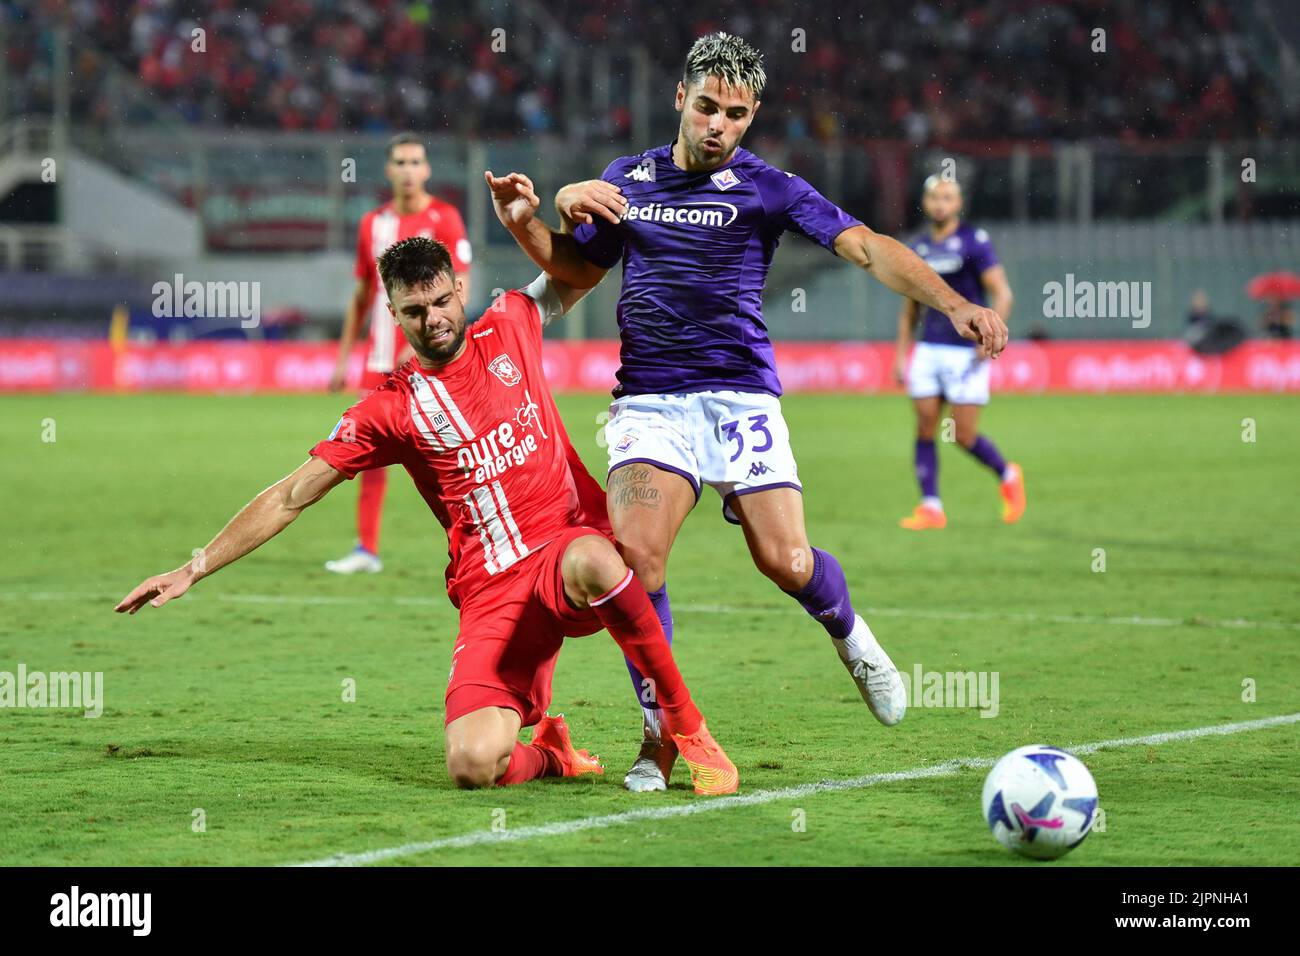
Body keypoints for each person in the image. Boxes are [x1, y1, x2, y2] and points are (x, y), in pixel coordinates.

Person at [488, 32, 1008, 792]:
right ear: (680, 99)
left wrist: (955, 301)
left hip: (739, 396)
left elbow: (865, 248)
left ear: (752, 114)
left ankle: (853, 639)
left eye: (735, 114)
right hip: (651, 400)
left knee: (786, 561)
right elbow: (577, 271)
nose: (717, 127)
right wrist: (530, 219)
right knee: (637, 560)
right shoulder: (627, 179)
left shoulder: (770, 188)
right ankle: (659, 736)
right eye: (706, 107)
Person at [115, 225, 738, 796]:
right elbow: (289, 495)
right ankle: (553, 755)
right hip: (492, 591)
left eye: (441, 301)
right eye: (415, 310)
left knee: (598, 558)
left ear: (457, 289)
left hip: (565, 557)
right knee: (471, 764)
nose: (433, 319)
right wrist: (192, 568)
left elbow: (584, 268)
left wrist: (544, 214)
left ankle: (688, 730)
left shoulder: (512, 322)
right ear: (393, 314)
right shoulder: (389, 410)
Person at [325, 132, 472, 575]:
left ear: (426, 170)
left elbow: (461, 287)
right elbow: (362, 295)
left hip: (435, 362)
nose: (408, 171)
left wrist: (428, 339)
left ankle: (479, 543)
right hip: (381, 363)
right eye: (400, 163)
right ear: (388, 171)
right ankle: (366, 549)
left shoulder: (445, 219)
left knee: (454, 453)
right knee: (366, 453)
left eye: (415, 162)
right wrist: (342, 357)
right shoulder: (372, 224)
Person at [892, 176, 1024, 530]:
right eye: (934, 197)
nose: (940, 203)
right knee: (924, 427)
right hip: (929, 349)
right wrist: (902, 354)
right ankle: (931, 506)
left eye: (947, 197)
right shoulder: (918, 248)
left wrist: (988, 338)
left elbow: (1003, 294)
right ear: (925, 201)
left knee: (962, 435)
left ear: (958, 203)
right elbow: (910, 309)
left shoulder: (973, 242)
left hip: (965, 352)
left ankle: (1008, 474)